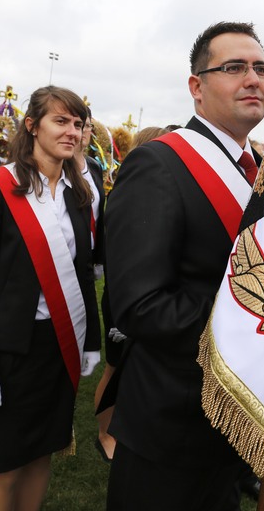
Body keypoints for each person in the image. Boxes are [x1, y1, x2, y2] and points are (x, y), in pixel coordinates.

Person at [103, 21, 264, 511]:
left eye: (261, 68)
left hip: (233, 423)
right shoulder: (158, 165)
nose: (253, 78)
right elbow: (139, 306)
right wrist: (259, 326)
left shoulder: (259, 173)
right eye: (234, 67)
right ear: (197, 87)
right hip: (170, 424)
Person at [0, 86, 101, 510]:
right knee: (4, 467)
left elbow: (81, 274)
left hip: (58, 345)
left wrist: (90, 339)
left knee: (42, 454)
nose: (72, 131)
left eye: (78, 124)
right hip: (9, 351)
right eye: (61, 121)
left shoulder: (78, 192)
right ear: (32, 126)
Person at [92, 125, 169, 464]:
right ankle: (105, 432)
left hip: (156, 294)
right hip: (127, 295)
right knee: (114, 367)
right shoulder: (130, 187)